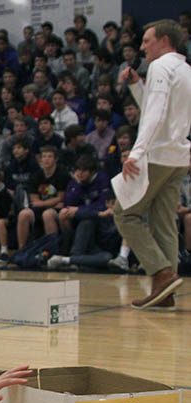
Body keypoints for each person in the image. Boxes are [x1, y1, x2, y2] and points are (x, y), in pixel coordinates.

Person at [114, 19, 191, 309]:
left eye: (147, 41)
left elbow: (154, 114)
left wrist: (136, 152)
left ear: (164, 41)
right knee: (164, 223)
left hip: (156, 154)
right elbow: (162, 108)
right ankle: (165, 293)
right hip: (178, 156)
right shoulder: (185, 70)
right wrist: (136, 86)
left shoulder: (160, 66)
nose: (142, 47)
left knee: (124, 214)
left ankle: (161, 273)